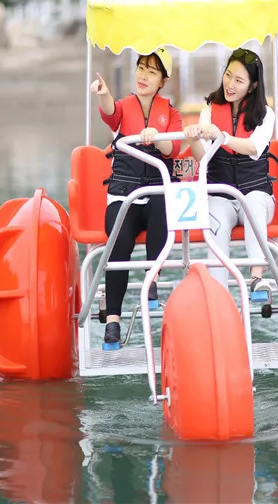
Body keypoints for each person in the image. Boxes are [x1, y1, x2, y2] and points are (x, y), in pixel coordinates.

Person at [91, 48, 182, 349]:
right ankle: (113, 322)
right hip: (124, 193)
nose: (143, 75)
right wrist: (103, 93)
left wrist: (156, 135)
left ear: (162, 81)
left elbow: (172, 150)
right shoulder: (122, 108)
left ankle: (152, 279)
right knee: (118, 240)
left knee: (162, 207)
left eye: (152, 71)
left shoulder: (171, 114)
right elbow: (109, 113)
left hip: (156, 189)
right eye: (141, 68)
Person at [183, 48, 278, 299]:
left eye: (239, 80)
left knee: (254, 202)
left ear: (253, 85)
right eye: (228, 75)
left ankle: (257, 277)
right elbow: (202, 156)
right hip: (221, 196)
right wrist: (193, 137)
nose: (230, 84)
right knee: (215, 217)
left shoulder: (266, 116)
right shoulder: (210, 110)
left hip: (255, 195)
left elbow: (253, 147)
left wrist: (222, 137)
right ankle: (217, 294)